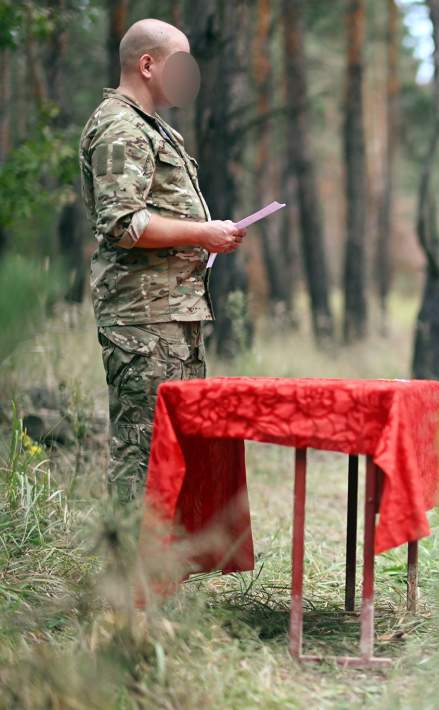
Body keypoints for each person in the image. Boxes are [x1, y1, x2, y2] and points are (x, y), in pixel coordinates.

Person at [80, 18, 245, 504]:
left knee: (171, 447)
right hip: (143, 321)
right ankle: (131, 574)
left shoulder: (152, 127)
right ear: (148, 65)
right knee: (143, 451)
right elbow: (121, 223)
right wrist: (204, 233)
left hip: (169, 317)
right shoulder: (120, 126)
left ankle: (160, 572)